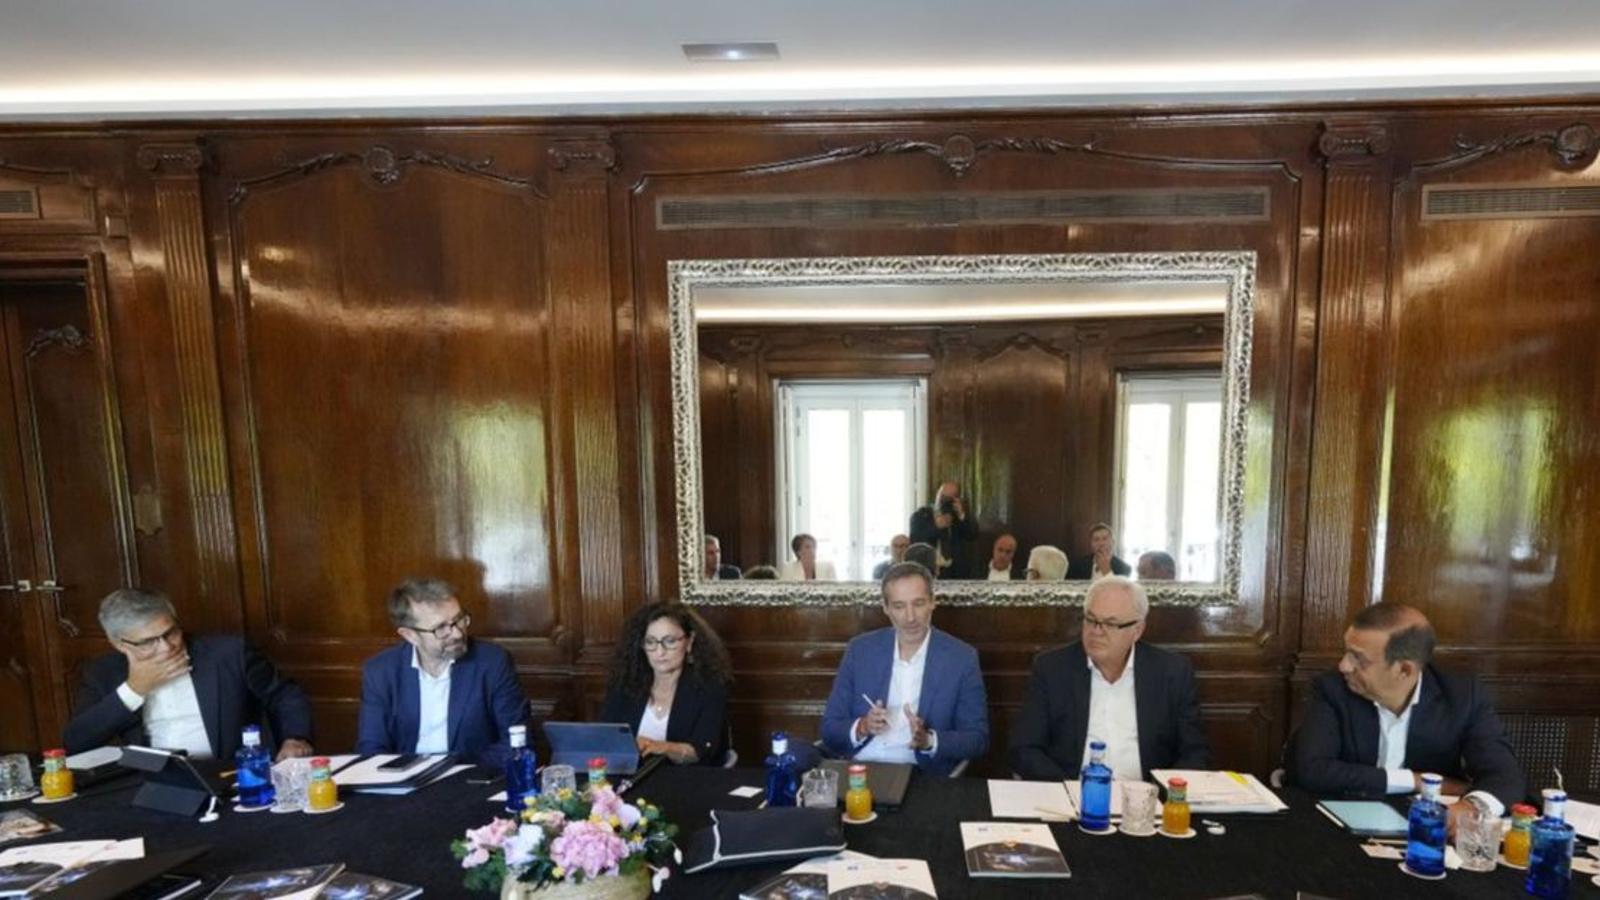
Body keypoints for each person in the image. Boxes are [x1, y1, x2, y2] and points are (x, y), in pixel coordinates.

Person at [1287, 602, 1524, 833]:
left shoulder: (1461, 696)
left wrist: (1470, 808)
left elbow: (1506, 777)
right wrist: (1416, 781)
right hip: (1339, 822)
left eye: (1358, 658)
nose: (1344, 666)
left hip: (1424, 826)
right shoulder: (1332, 688)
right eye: (1346, 653)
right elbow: (1312, 770)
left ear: (1404, 670)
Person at [64, 588, 314, 762]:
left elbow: (285, 695)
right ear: (120, 644)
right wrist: (134, 690)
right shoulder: (105, 672)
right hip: (154, 780)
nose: (166, 647)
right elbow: (76, 741)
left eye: (170, 633)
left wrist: (295, 738)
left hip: (231, 771)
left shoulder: (227, 653)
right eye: (148, 642)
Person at [1010, 576, 1209, 780]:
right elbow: (1025, 749)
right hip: (1071, 793)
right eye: (1091, 619)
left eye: (1110, 623)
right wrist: (1071, 790)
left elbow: (1194, 753)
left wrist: (1159, 794)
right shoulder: (1052, 669)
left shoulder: (1172, 672)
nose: (1097, 631)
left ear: (1137, 630)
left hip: (1147, 795)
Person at [820, 562, 988, 776]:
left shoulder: (961, 658)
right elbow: (829, 728)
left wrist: (928, 740)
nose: (910, 617)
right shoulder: (860, 650)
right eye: (899, 606)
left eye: (918, 603)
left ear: (932, 602)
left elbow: (977, 739)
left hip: (922, 774)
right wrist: (863, 726)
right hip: (860, 769)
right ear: (886, 608)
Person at [356, 578, 528, 766]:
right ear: (410, 635)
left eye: (459, 620)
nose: (457, 633)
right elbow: (372, 749)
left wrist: (449, 766)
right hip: (405, 779)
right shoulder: (381, 671)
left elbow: (517, 743)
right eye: (441, 628)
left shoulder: (492, 662)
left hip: (469, 775)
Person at [599, 602, 732, 765]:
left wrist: (662, 747)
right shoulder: (625, 685)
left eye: (670, 641)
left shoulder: (710, 688)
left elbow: (704, 751)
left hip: (689, 776)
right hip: (631, 775)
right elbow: (606, 738)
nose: (660, 652)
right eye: (650, 642)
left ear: (689, 642)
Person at [908, 481, 978, 579]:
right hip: (929, 569)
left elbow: (973, 534)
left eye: (950, 498)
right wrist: (936, 527)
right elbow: (916, 539)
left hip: (956, 571)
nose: (945, 501)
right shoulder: (921, 515)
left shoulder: (959, 517)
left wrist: (962, 515)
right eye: (943, 496)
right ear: (937, 494)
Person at [1066, 523, 1131, 580]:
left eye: (1105, 539)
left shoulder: (1124, 568)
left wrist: (1107, 572)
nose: (1101, 543)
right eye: (1096, 539)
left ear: (1113, 542)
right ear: (1091, 544)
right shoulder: (1077, 566)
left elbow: (1119, 589)